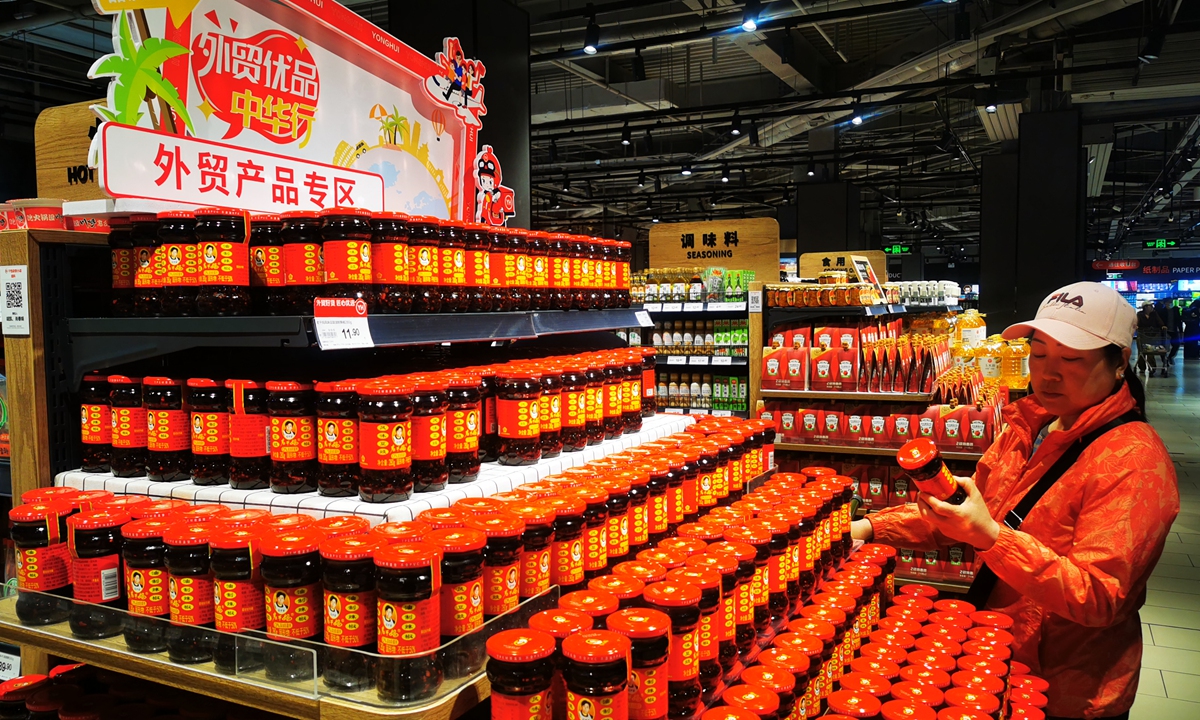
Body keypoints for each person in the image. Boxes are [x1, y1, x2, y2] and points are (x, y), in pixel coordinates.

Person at [852, 281, 1179, 720]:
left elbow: (1099, 598)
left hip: (1068, 689)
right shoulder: (1028, 427)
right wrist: (867, 528)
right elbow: (964, 511)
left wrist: (991, 538)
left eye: (1071, 359)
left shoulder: (1133, 461)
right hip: (996, 657)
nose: (1048, 373)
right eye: (1039, 353)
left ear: (1119, 362)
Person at [1135, 301, 1166, 375]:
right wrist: (1136, 326)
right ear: (1145, 307)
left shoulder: (1154, 314)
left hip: (1152, 335)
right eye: (1150, 306)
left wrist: (1162, 326)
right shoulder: (1139, 314)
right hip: (1142, 335)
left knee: (1150, 352)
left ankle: (1152, 367)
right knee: (1141, 352)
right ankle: (1142, 368)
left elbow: (1159, 321)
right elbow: (1136, 322)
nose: (1152, 307)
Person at [1164, 299, 1183, 364]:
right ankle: (1165, 361)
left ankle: (1170, 356)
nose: (1169, 304)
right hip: (1165, 331)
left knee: (1176, 344)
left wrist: (1181, 330)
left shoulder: (1175, 310)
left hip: (1174, 330)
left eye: (1171, 302)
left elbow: (1179, 320)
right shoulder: (1163, 311)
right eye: (1168, 302)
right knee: (1164, 347)